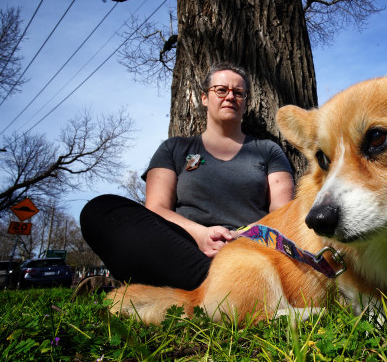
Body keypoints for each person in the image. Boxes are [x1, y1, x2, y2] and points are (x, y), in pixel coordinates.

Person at [80, 62, 295, 290]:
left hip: (249, 250)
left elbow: (282, 215)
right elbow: (156, 208)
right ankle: (223, 290)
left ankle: (203, 292)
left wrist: (239, 237)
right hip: (184, 248)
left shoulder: (268, 150)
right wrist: (201, 235)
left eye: (238, 93)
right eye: (221, 90)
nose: (230, 96)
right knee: (100, 210)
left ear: (245, 102)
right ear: (204, 97)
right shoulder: (174, 149)